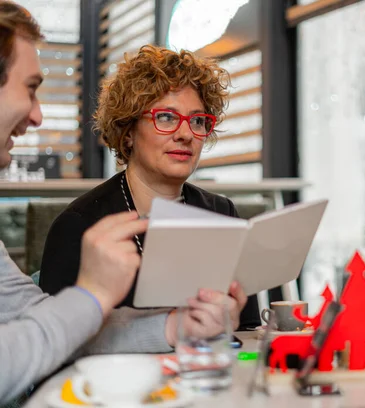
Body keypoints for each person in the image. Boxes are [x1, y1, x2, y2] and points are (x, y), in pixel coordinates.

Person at [39, 44, 261, 353]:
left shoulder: (222, 212)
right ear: (128, 131)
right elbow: (49, 348)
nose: (186, 134)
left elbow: (245, 328)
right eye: (167, 117)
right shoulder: (80, 225)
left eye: (197, 121)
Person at [0, 1, 148, 403]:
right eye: (30, 89)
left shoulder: (218, 207)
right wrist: (92, 294)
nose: (38, 116)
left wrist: (174, 327)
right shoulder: (78, 219)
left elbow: (42, 322)